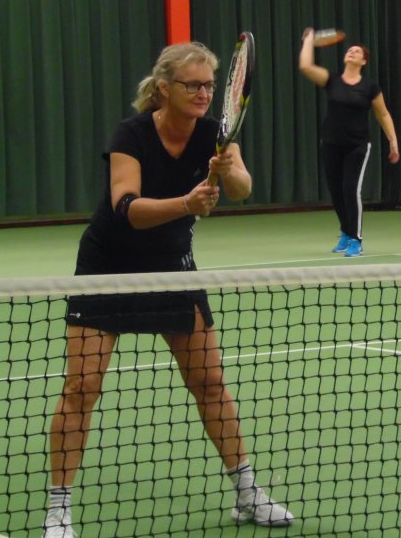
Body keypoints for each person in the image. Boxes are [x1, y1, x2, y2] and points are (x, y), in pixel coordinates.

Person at [42, 42, 293, 538]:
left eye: (209, 85)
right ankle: (58, 510)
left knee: (210, 383)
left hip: (174, 269)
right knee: (81, 388)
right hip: (108, 269)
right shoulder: (131, 134)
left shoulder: (216, 134)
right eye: (192, 85)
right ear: (163, 89)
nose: (203, 93)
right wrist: (186, 203)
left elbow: (242, 188)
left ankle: (247, 493)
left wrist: (228, 170)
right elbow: (126, 209)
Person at [298, 27, 399, 258]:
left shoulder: (370, 87)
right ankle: (345, 230)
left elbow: (383, 114)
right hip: (331, 144)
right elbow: (306, 66)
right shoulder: (332, 80)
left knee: (350, 190)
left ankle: (356, 239)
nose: (352, 52)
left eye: (357, 51)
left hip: (357, 146)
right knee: (336, 192)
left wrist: (393, 140)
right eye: (350, 50)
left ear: (363, 61)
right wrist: (308, 41)